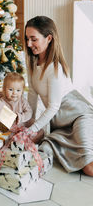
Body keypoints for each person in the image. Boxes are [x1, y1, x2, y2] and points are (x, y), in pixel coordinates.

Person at [25, 15, 93, 176]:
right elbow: (32, 95)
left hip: (78, 115)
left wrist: (32, 129)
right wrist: (29, 122)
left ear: (49, 38)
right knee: (46, 148)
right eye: (27, 38)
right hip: (59, 123)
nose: (28, 44)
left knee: (88, 168)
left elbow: (54, 106)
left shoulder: (55, 69)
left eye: (33, 39)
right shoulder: (33, 63)